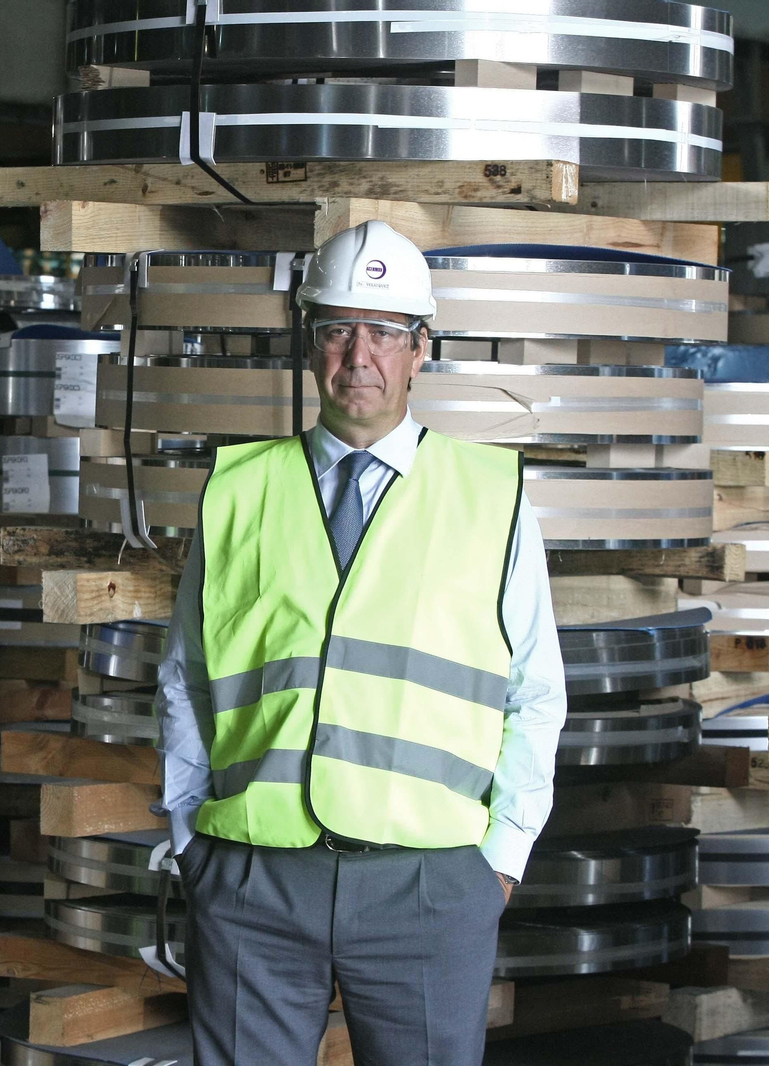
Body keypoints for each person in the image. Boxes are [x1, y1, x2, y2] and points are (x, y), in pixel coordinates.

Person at [154, 219, 568, 1066]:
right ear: (311, 348)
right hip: (253, 875)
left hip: (430, 881)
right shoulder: (238, 490)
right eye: (338, 329)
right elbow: (186, 679)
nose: (359, 356)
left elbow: (535, 693)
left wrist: (499, 864)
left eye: (384, 332)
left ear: (422, 350)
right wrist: (193, 836)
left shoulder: (492, 497)